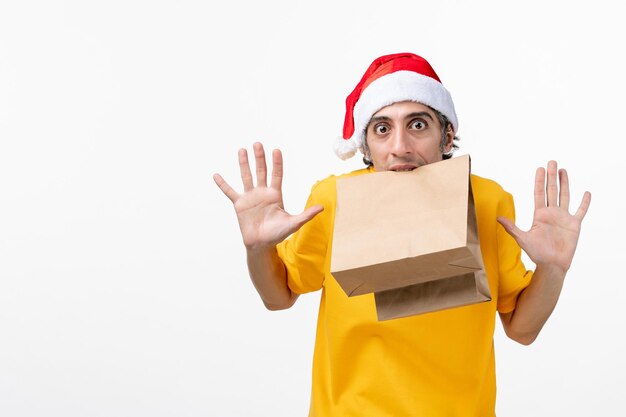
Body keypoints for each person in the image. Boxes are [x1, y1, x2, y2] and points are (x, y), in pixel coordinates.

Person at [213, 53, 591, 417]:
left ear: (446, 137)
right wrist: (259, 248)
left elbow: (522, 330)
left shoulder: (488, 203)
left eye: (418, 124)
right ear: (366, 144)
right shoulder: (332, 200)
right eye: (382, 129)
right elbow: (278, 296)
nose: (400, 147)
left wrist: (553, 268)